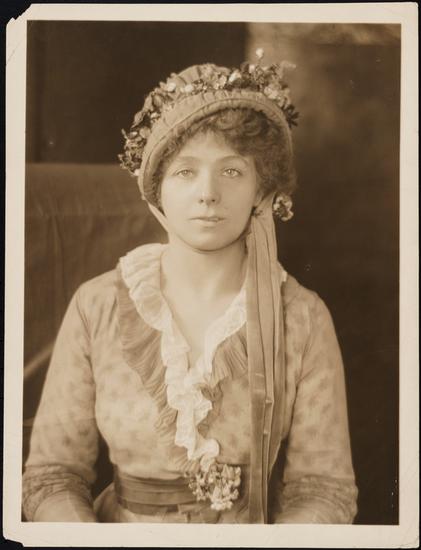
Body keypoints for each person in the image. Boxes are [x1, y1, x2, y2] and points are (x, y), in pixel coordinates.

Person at [22, 51, 358, 523]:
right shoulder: (96, 306)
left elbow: (324, 489)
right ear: (156, 189)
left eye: (232, 171)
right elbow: (52, 477)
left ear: (262, 190)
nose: (208, 193)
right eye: (185, 171)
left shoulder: (302, 316)